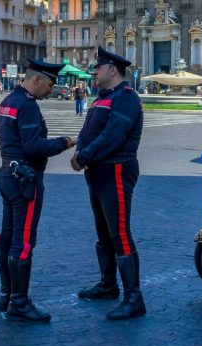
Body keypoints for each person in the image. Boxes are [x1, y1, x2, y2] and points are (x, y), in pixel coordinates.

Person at [0, 59, 77, 323]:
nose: (51, 90)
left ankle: (7, 295)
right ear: (37, 79)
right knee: (24, 241)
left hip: (7, 173)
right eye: (50, 84)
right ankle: (19, 302)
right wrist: (64, 142)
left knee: (7, 238)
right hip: (25, 180)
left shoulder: (8, 101)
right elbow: (33, 147)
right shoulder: (27, 106)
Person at [73, 47, 146, 320]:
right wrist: (81, 152)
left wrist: (84, 155)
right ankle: (108, 285)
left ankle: (134, 298)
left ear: (111, 70)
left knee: (119, 232)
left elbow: (113, 135)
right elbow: (87, 131)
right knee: (103, 232)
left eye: (97, 68)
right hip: (98, 171)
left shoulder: (127, 98)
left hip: (116, 169)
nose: (93, 72)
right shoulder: (103, 97)